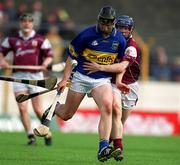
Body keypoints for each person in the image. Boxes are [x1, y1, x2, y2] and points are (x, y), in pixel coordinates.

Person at [41, 6, 126, 162]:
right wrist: (65, 79)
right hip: (81, 77)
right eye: (103, 23)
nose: (105, 26)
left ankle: (103, 148)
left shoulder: (119, 40)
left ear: (113, 23)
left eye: (108, 24)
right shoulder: (86, 35)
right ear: (99, 21)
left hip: (101, 80)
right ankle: (54, 109)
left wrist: (117, 80)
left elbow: (120, 64)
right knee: (67, 114)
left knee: (108, 107)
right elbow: (70, 57)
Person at [84, 15, 141, 161]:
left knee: (120, 120)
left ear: (131, 30)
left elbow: (122, 67)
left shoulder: (132, 47)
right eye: (120, 27)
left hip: (129, 84)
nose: (122, 30)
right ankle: (118, 148)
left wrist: (100, 68)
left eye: (125, 28)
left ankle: (107, 146)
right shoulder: (111, 39)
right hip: (113, 82)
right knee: (115, 110)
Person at [0, 13, 54, 146]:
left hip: (36, 76)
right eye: (24, 21)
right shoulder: (12, 39)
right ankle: (31, 137)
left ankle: (47, 132)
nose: (26, 23)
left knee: (37, 109)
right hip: (18, 76)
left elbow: (49, 55)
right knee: (23, 108)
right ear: (20, 23)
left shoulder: (41, 39)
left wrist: (45, 63)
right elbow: (1, 52)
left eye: (29, 21)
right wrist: (3, 61)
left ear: (32, 23)